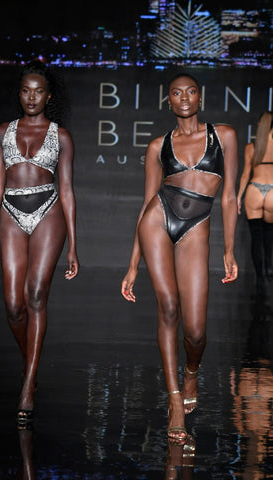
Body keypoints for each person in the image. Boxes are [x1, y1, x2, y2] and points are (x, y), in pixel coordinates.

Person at [121, 73, 238, 443]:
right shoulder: (159, 145)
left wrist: (229, 249)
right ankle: (174, 402)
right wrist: (132, 263)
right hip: (158, 218)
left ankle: (191, 371)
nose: (184, 97)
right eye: (176, 93)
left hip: (197, 227)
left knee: (196, 331)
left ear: (199, 97)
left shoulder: (225, 136)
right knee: (168, 307)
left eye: (190, 91)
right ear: (168, 101)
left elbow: (230, 196)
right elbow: (145, 203)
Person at [0, 60, 79, 425]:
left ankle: (28, 385)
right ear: (19, 94)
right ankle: (31, 367)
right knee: (12, 306)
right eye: (26, 90)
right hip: (10, 212)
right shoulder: (3, 132)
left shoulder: (61, 135)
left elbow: (66, 190)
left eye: (38, 91)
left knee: (36, 294)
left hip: (48, 211)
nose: (31, 97)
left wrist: (73, 245)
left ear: (48, 96)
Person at [237, 111, 273, 296]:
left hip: (254, 191)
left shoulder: (251, 147)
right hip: (272, 190)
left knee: (255, 238)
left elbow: (245, 175)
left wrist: (238, 197)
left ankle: (259, 277)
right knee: (269, 232)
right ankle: (269, 267)